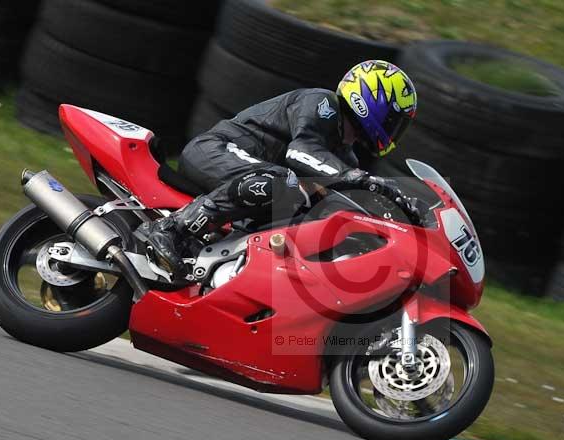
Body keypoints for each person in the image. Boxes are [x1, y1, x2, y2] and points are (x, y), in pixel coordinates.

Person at [144, 60, 419, 278]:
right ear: (372, 101)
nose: (395, 130)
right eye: (393, 119)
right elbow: (301, 153)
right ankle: (172, 229)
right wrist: (359, 179)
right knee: (283, 181)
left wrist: (392, 214)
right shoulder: (322, 104)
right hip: (214, 151)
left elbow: (337, 198)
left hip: (248, 179)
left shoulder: (346, 157)